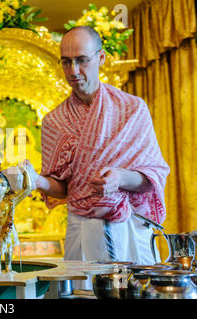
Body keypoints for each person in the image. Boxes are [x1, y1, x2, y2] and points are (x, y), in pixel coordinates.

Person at [21, 26, 170, 290]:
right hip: (81, 227)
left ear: (100, 57)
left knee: (136, 294)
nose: (73, 71)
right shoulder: (55, 121)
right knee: (82, 294)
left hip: (129, 229)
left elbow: (154, 176)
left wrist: (121, 178)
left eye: (82, 60)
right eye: (66, 62)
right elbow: (63, 188)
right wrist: (37, 181)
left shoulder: (132, 109)